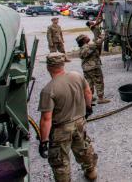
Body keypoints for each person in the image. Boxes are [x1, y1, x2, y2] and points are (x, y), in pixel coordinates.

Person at [38, 52, 98, 182]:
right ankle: (91, 172)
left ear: (48, 67)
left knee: (60, 160)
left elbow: (46, 119)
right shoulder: (76, 76)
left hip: (61, 129)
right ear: (63, 64)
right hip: (80, 122)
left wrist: (43, 141)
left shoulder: (48, 90)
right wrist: (88, 108)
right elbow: (88, 92)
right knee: (83, 148)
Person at [76, 34, 111, 104]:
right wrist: (102, 38)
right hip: (93, 67)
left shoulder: (82, 48)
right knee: (98, 82)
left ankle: (90, 97)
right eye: (86, 37)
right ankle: (101, 98)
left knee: (89, 83)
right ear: (83, 40)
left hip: (86, 69)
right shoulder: (88, 46)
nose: (88, 37)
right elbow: (97, 44)